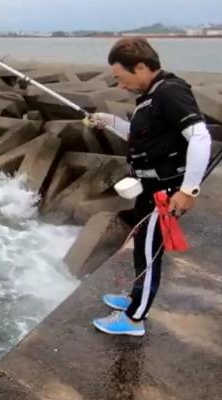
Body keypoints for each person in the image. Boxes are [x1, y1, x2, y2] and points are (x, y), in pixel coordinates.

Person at [87, 37, 212, 336]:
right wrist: (111, 122)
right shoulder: (151, 96)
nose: (119, 85)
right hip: (148, 187)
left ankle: (134, 319)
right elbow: (146, 136)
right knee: (142, 248)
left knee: (149, 251)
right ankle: (135, 298)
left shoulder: (170, 91)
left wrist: (188, 190)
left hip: (165, 192)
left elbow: (200, 136)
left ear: (140, 66)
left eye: (120, 77)